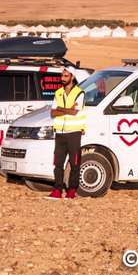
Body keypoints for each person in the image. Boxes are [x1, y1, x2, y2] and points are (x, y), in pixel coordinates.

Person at [48, 68, 86, 200]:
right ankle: (57, 190)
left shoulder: (79, 93)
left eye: (65, 75)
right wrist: (66, 110)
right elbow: (52, 113)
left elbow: (74, 112)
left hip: (74, 133)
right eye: (62, 75)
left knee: (75, 163)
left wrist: (60, 109)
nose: (62, 78)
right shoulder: (58, 93)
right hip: (59, 133)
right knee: (58, 163)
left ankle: (72, 191)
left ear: (72, 77)